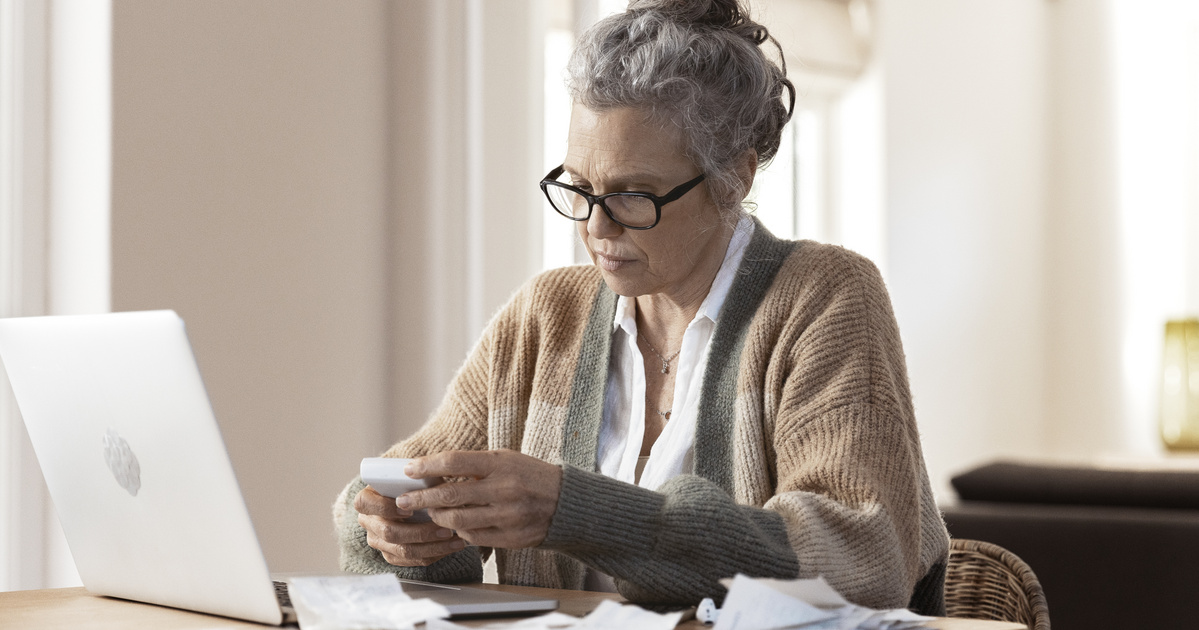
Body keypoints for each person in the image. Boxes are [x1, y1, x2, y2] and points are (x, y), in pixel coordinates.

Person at [334, 0, 949, 613]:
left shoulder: (825, 299)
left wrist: (574, 510)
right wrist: (406, 533)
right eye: (578, 186)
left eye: (633, 194)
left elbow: (859, 561)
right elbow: (397, 490)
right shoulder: (545, 318)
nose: (597, 226)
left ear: (733, 178)